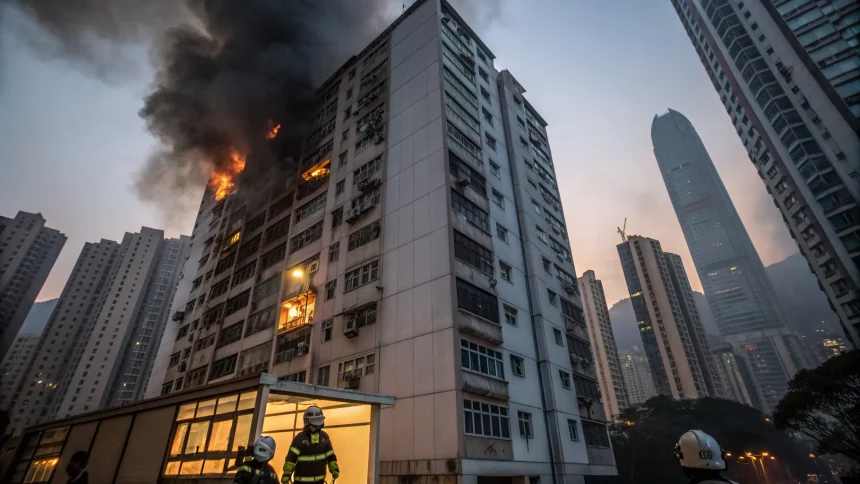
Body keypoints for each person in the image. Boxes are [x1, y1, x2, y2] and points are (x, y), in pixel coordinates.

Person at [282, 406, 339, 483]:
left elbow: (330, 456)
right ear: (307, 422)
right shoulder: (300, 439)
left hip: (319, 482)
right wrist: (286, 474)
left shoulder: (324, 437)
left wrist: (334, 468)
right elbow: (291, 459)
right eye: (316, 420)